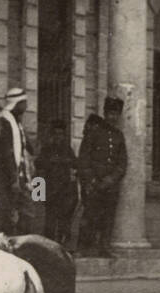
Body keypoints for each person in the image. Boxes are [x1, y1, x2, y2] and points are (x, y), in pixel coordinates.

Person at [78, 97, 128, 256]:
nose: (113, 117)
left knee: (108, 217)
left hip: (110, 185)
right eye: (110, 113)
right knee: (90, 215)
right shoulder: (94, 132)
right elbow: (84, 158)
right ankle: (83, 248)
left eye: (116, 114)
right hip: (94, 183)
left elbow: (122, 163)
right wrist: (91, 180)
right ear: (105, 113)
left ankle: (104, 247)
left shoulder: (119, 136)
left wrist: (111, 179)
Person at [0, 87, 35, 234]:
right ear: (16, 103)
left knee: (27, 213)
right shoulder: (5, 122)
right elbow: (7, 153)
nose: (26, 107)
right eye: (23, 102)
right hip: (12, 179)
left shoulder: (16, 123)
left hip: (22, 178)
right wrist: (13, 179)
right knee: (18, 214)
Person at [39, 119, 79, 247]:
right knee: (49, 224)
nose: (58, 137)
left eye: (61, 134)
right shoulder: (46, 150)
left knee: (64, 224)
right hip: (50, 193)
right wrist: (38, 195)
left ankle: (62, 248)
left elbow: (75, 165)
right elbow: (39, 168)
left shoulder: (67, 150)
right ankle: (47, 249)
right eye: (56, 134)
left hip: (64, 193)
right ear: (51, 135)